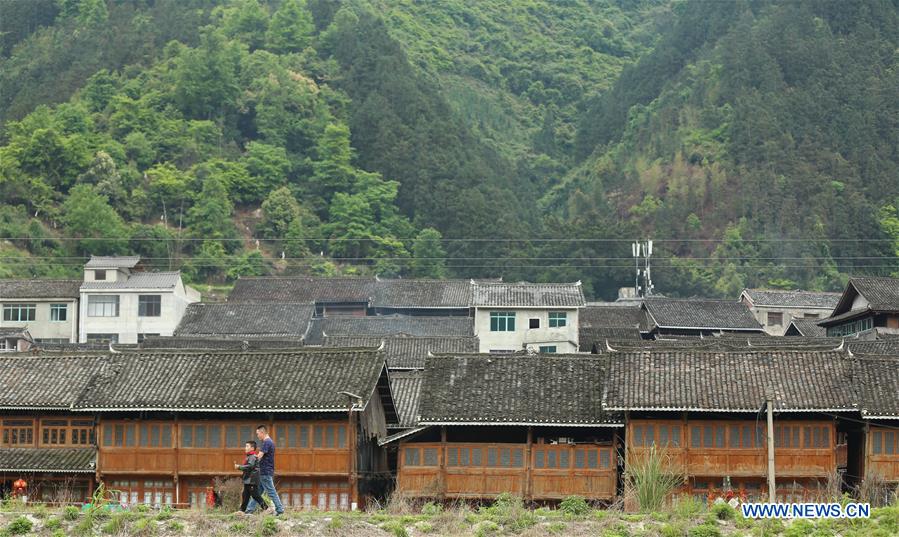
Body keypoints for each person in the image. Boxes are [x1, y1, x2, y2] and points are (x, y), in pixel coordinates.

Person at [245, 424, 284, 515]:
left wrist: (251, 460)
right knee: (257, 492)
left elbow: (259, 457)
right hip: (265, 471)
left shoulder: (267, 442)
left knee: (271, 491)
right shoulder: (270, 442)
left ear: (262, 432)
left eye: (258, 434)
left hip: (265, 472)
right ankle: (249, 510)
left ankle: (280, 509)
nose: (257, 436)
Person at [235, 441, 267, 514]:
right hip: (248, 480)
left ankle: (266, 508)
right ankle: (241, 511)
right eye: (245, 446)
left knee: (255, 495)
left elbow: (250, 466)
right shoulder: (249, 456)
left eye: (247, 446)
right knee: (245, 495)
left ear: (252, 448)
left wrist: (239, 467)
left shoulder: (252, 457)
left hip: (252, 480)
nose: (245, 448)